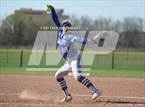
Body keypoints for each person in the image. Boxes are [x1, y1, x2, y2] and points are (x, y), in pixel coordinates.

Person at [46, 5, 101, 102]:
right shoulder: (59, 31)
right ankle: (67, 96)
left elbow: (80, 40)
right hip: (68, 62)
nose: (66, 28)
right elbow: (55, 19)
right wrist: (53, 9)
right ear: (62, 27)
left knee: (77, 76)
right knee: (58, 76)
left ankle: (95, 91)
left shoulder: (70, 36)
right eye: (65, 26)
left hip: (75, 60)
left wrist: (92, 41)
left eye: (68, 27)